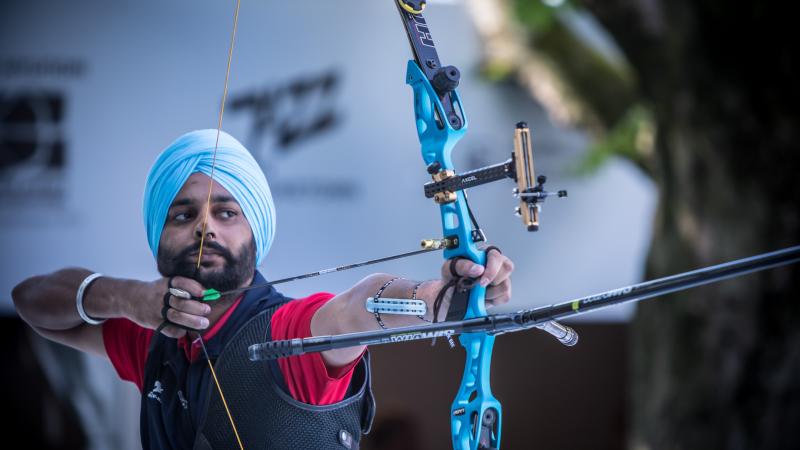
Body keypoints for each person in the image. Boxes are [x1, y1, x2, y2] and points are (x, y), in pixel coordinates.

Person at [12, 129, 514, 449]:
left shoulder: (288, 332)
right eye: (183, 214)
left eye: (227, 213)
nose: (205, 229)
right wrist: (124, 298)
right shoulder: (152, 336)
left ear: (257, 232)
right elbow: (29, 300)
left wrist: (436, 297)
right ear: (157, 234)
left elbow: (359, 306)